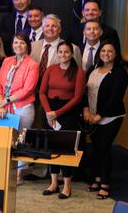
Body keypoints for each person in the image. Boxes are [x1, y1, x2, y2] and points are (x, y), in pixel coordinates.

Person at [40, 41, 86, 199]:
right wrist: (48, 112)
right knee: (51, 148)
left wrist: (57, 113)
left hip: (67, 112)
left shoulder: (79, 72)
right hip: (49, 110)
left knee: (65, 149)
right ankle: (53, 183)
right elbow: (42, 93)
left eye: (66, 52)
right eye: (60, 52)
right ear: (57, 53)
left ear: (72, 54)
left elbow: (78, 98)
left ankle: (67, 185)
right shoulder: (51, 69)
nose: (63, 55)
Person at [83, 40, 126, 200]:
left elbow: (115, 98)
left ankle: (105, 184)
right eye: (103, 51)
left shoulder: (120, 72)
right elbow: (84, 92)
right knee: (95, 147)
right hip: (92, 116)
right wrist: (86, 109)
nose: (106, 54)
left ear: (116, 54)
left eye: (110, 51)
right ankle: (96, 179)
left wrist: (100, 115)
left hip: (111, 117)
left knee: (104, 147)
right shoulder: (92, 69)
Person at [0, 33, 38, 181]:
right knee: (5, 139)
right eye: (16, 43)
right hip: (4, 106)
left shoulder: (32, 64)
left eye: (22, 43)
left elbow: (27, 89)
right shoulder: (7, 61)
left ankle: (19, 174)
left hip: (23, 107)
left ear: (27, 46)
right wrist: (1, 103)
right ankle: (3, 170)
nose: (18, 46)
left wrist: (6, 101)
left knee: (21, 139)